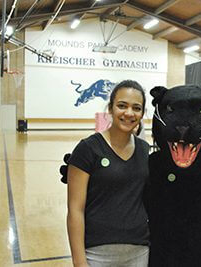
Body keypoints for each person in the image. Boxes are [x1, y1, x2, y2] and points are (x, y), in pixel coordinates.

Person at [67, 80, 150, 267]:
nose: (129, 113)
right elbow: (75, 210)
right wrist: (79, 262)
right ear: (110, 108)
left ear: (142, 113)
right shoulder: (87, 149)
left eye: (136, 108)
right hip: (96, 254)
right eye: (122, 106)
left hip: (139, 252)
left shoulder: (145, 150)